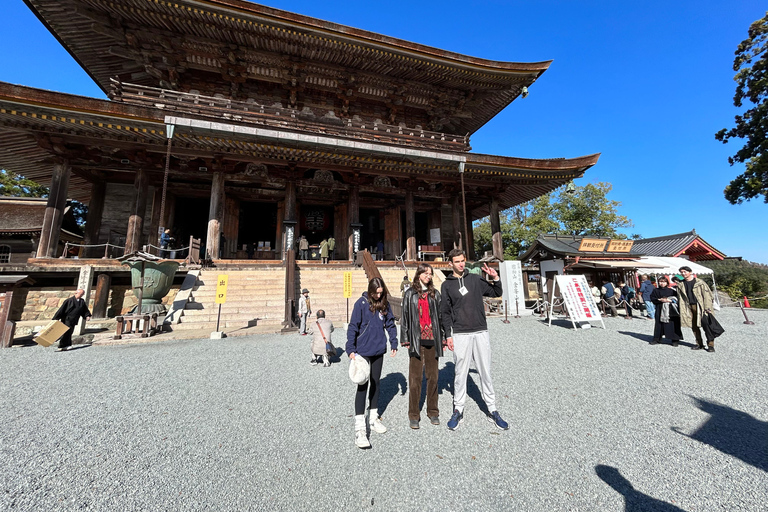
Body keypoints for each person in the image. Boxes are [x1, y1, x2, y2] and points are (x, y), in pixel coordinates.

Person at [441, 249, 509, 431]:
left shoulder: (475, 279)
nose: (461, 264)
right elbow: (445, 312)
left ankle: (492, 408)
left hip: (480, 330)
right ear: (450, 264)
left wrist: (495, 277)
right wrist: (448, 334)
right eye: (457, 261)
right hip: (460, 332)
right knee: (460, 372)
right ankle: (458, 408)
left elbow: (496, 292)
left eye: (463, 260)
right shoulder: (447, 285)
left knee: (485, 370)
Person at [346, 277, 398, 449]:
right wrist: (350, 348)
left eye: (380, 293)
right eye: (375, 293)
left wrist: (394, 341)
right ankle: (360, 428)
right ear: (370, 290)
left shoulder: (384, 304)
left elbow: (390, 324)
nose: (378, 296)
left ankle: (373, 418)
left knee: (376, 384)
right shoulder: (360, 304)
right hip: (362, 351)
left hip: (378, 350)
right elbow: (353, 326)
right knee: (362, 386)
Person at [401, 264, 445, 429]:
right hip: (416, 340)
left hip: (433, 340)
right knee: (415, 379)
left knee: (433, 378)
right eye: (425, 273)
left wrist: (444, 337)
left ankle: (433, 411)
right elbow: (405, 316)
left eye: (430, 273)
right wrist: (405, 338)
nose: (429, 275)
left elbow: (440, 317)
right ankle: (413, 414)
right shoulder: (410, 294)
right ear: (418, 274)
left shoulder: (435, 294)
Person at [676, 266, 716, 352]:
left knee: (707, 326)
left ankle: (710, 344)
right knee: (693, 326)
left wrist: (707, 307)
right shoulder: (681, 284)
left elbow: (707, 296)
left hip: (700, 306)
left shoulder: (700, 283)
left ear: (690, 272)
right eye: (682, 272)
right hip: (688, 306)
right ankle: (699, 343)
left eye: (685, 272)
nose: (683, 273)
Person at [649, 276, 683, 346]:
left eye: (664, 282)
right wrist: (659, 300)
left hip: (670, 309)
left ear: (667, 283)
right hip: (660, 308)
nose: (662, 283)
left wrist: (669, 300)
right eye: (661, 282)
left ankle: (675, 339)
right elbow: (652, 298)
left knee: (673, 323)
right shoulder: (656, 290)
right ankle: (657, 339)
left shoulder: (672, 291)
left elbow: (677, 299)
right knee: (659, 324)